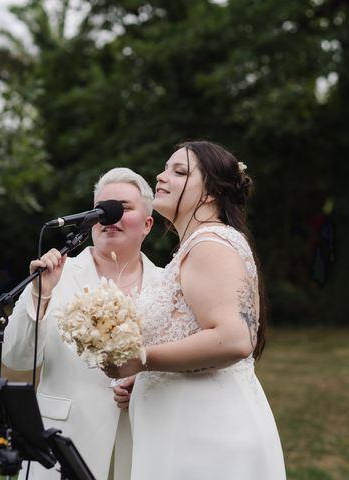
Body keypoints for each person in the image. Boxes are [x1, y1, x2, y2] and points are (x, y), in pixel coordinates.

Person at [105, 141, 286, 479]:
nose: (161, 176)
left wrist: (142, 359)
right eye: (165, 167)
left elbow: (234, 340)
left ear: (210, 193)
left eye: (180, 171)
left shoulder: (209, 245)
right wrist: (150, 377)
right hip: (185, 426)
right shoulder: (201, 244)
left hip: (205, 436)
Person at [2, 168, 162, 480]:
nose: (109, 216)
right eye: (101, 209)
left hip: (143, 439)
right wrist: (41, 295)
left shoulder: (168, 284)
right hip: (65, 438)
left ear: (147, 224)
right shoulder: (55, 274)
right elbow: (17, 358)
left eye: (123, 208)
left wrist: (144, 385)